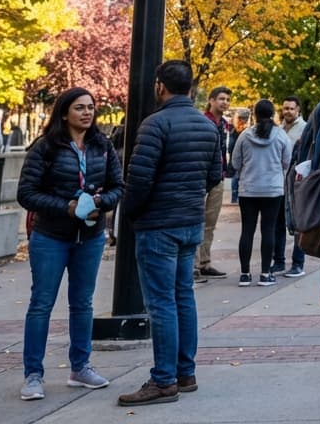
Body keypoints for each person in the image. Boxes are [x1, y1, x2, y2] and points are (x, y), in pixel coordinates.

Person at [118, 60, 224, 406]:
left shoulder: (155, 124)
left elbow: (139, 181)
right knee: (183, 297)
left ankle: (163, 379)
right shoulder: (208, 127)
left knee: (161, 303)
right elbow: (214, 176)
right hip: (189, 223)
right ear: (192, 89)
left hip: (158, 224)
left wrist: (130, 214)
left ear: (160, 86)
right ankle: (184, 371)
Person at [16, 88, 123, 401]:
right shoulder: (45, 148)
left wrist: (102, 201)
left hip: (89, 238)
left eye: (90, 107)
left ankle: (80, 367)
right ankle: (33, 375)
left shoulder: (102, 146)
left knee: (83, 303)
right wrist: (67, 207)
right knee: (41, 304)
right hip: (50, 236)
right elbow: (27, 194)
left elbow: (119, 185)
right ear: (64, 113)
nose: (87, 113)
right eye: (79, 108)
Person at [231, 99, 292, 286]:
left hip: (248, 189)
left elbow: (235, 162)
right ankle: (266, 273)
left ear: (255, 114)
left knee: (247, 231)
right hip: (273, 190)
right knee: (269, 230)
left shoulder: (245, 136)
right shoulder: (281, 136)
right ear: (273, 114)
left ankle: (245, 274)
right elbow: (286, 162)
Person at [197, 86, 233, 281]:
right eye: (221, 98)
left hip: (218, 177)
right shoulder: (203, 121)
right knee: (198, 221)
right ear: (211, 100)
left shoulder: (225, 125)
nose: (225, 102)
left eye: (227, 99)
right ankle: (194, 266)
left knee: (210, 223)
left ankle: (205, 262)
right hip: (202, 177)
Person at [279, 95, 308, 278]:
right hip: (279, 183)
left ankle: (298, 263)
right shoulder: (279, 129)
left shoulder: (305, 129)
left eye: (291, 108)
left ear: (298, 110)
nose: (288, 111)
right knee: (278, 224)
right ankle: (278, 261)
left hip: (297, 183)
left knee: (298, 225)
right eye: (285, 108)